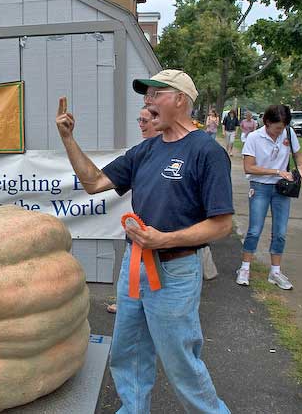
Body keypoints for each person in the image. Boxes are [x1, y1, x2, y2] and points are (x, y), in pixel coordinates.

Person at [57, 69, 233, 413]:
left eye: (156, 94)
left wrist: (164, 239)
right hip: (134, 267)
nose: (147, 101)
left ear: (180, 100)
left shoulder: (206, 152)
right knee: (128, 351)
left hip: (176, 271)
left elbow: (222, 225)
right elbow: (94, 182)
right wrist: (68, 139)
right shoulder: (146, 150)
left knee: (180, 361)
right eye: (146, 94)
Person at [235, 105, 302, 290]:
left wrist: (301, 171)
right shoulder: (254, 137)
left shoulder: (288, 133)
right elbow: (249, 167)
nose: (280, 131)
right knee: (255, 229)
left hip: (282, 189)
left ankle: (275, 272)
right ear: (267, 122)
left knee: (280, 231)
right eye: (277, 128)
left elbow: (298, 155)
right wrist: (277, 171)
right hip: (260, 187)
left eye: (283, 127)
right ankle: (244, 268)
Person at [106, 106, 160, 314]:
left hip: (169, 250)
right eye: (139, 120)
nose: (141, 124)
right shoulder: (139, 153)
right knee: (132, 299)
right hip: (139, 244)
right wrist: (69, 140)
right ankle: (129, 303)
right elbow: (94, 182)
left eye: (145, 120)